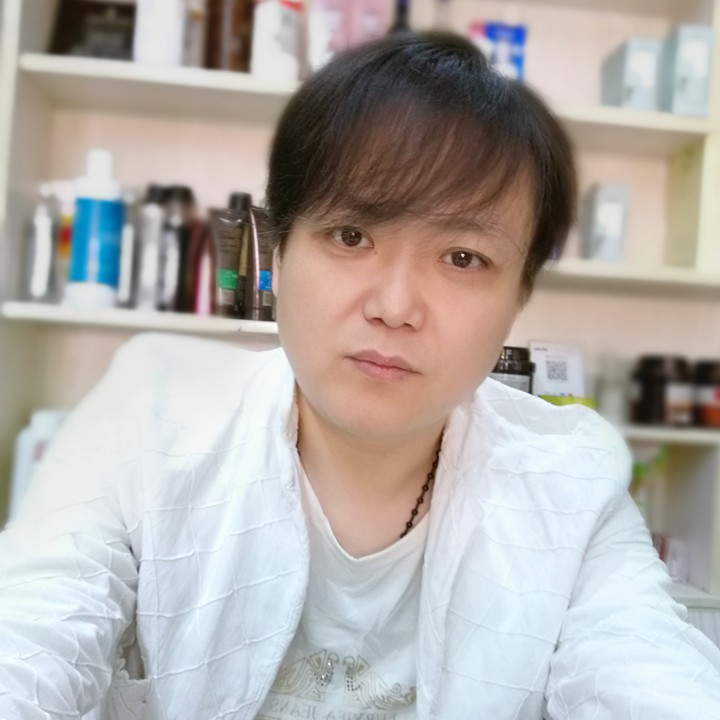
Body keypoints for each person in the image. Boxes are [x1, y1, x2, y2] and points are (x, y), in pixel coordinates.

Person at [1, 31, 720, 720]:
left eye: (463, 258)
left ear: (518, 298)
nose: (395, 307)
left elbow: (644, 671)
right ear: (279, 255)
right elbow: (29, 639)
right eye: (352, 235)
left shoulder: (572, 486)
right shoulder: (147, 424)